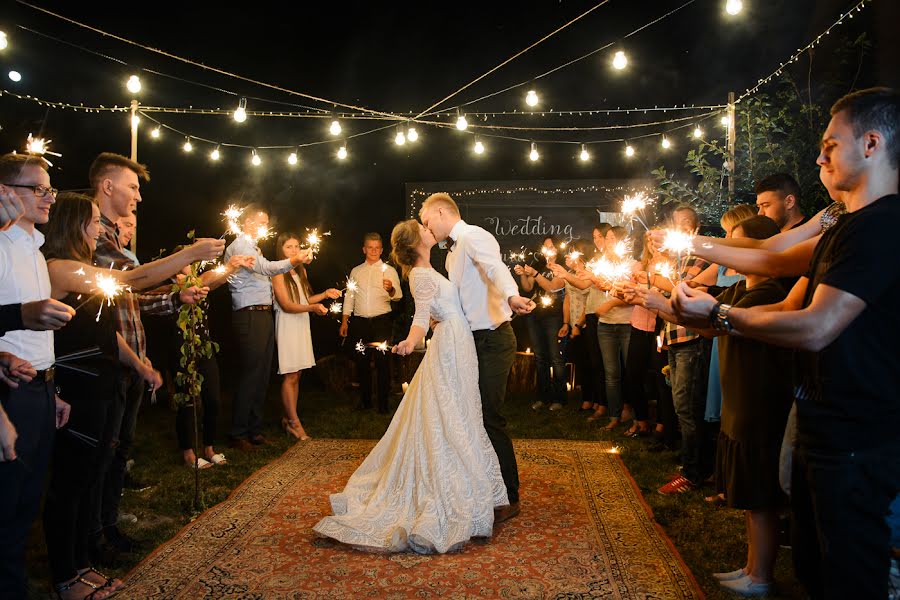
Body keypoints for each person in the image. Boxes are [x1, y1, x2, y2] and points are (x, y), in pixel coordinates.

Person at [671, 87, 900, 600]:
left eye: (829, 145)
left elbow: (817, 325)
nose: (818, 158)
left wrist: (720, 314)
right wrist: (691, 246)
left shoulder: (882, 227)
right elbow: (773, 258)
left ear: (870, 143)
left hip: (860, 431)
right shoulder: (845, 225)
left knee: (851, 571)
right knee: (819, 565)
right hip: (823, 416)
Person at [313, 219, 507, 553]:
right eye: (422, 227)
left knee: (462, 410)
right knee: (450, 413)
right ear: (415, 242)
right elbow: (420, 317)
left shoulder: (433, 268)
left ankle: (469, 489)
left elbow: (439, 309)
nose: (429, 228)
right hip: (449, 346)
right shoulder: (418, 275)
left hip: (459, 342)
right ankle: (451, 489)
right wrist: (408, 341)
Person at [88, 152, 224, 558]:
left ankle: (108, 527)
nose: (139, 198)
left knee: (120, 448)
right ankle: (92, 537)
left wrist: (175, 297)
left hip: (133, 357)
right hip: (109, 357)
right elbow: (129, 280)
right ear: (107, 186)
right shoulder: (92, 234)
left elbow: (133, 296)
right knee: (103, 452)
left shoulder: (113, 235)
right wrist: (188, 256)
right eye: (133, 187)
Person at [41, 192, 167, 599]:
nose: (99, 229)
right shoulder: (61, 269)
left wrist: (138, 365)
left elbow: (107, 331)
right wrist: (189, 255)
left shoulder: (86, 269)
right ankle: (65, 575)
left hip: (104, 379)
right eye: (94, 222)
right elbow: (132, 280)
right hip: (77, 384)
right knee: (71, 482)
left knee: (92, 474)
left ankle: (82, 565)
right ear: (74, 225)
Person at [419, 192, 534, 523]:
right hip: (469, 342)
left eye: (427, 220)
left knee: (489, 416)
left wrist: (512, 295)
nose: (426, 227)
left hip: (494, 340)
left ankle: (509, 496)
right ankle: (483, 488)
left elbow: (495, 268)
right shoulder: (452, 255)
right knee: (470, 415)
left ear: (441, 212)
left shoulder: (474, 236)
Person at [0, 153, 71, 599]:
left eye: (51, 188)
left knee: (27, 505)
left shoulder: (38, 249)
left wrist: (53, 387)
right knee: (5, 508)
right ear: (6, 191)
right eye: (38, 188)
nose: (49, 197)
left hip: (40, 390)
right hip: (9, 393)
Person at [223, 204, 312, 450]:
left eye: (265, 222)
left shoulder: (254, 248)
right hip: (248, 315)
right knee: (251, 374)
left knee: (262, 375)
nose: (265, 226)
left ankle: (254, 430)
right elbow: (266, 268)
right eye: (260, 222)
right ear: (246, 223)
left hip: (262, 314)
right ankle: (238, 433)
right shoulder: (240, 246)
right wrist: (294, 259)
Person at [272, 233, 340, 439]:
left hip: (301, 321)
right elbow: (286, 304)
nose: (294, 250)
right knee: (290, 374)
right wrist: (312, 308)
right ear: (280, 251)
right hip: (287, 323)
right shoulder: (277, 272)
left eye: (296, 246)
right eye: (288, 247)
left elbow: (304, 298)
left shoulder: (299, 270)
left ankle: (288, 417)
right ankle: (294, 423)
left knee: (297, 374)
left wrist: (325, 295)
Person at [339, 233, 402, 413]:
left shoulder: (389, 271)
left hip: (382, 322)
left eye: (377, 248)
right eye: (370, 247)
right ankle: (366, 402)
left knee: (383, 363)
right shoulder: (356, 271)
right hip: (359, 323)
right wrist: (344, 321)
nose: (373, 251)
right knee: (362, 361)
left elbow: (398, 296)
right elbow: (349, 298)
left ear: (381, 250)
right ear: (364, 249)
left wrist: (390, 289)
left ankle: (383, 404)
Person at [514, 236, 566, 411]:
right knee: (540, 357)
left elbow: (552, 287)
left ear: (557, 249)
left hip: (553, 316)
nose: (547, 250)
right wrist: (523, 275)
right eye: (545, 247)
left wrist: (535, 274)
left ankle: (559, 398)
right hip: (535, 314)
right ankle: (543, 397)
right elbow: (528, 288)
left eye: (551, 247)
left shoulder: (561, 268)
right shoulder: (538, 265)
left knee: (555, 357)